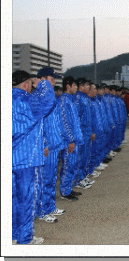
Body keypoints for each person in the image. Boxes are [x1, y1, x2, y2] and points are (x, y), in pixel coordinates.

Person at [12, 70, 56, 245]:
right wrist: (42, 83)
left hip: (11, 158)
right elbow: (48, 101)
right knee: (26, 200)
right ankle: (25, 238)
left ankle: (13, 234)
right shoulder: (27, 100)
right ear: (26, 84)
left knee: (12, 199)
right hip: (27, 159)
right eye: (31, 84)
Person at [33, 68, 67, 224]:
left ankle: (50, 206)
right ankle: (42, 211)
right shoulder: (39, 98)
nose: (54, 82)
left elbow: (56, 123)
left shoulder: (50, 97)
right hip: (47, 146)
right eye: (51, 79)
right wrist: (44, 143)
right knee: (44, 180)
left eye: (54, 79)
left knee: (52, 178)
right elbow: (38, 124)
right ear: (42, 79)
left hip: (55, 144)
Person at [57, 76, 84, 201]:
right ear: (68, 86)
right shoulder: (63, 101)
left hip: (75, 140)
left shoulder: (70, 100)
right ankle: (65, 192)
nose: (76, 88)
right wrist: (70, 140)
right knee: (68, 165)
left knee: (73, 165)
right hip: (70, 142)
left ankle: (68, 188)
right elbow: (64, 123)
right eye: (74, 85)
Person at [73, 78, 96, 190]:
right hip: (81, 133)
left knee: (85, 156)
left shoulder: (85, 98)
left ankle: (83, 176)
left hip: (86, 133)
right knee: (80, 158)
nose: (88, 87)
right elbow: (76, 119)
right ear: (81, 86)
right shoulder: (78, 99)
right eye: (87, 85)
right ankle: (78, 180)